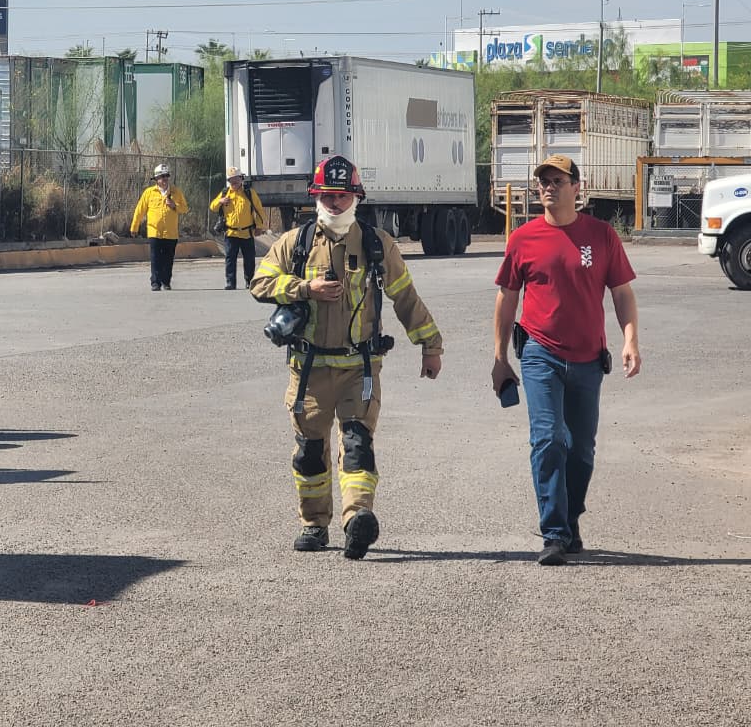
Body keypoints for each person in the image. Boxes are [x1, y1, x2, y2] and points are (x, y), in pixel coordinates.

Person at [250, 155, 443, 559]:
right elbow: (260, 283)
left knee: (357, 444)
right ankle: (313, 524)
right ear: (315, 197)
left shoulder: (377, 245)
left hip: (360, 369)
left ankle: (357, 519)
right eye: (327, 196)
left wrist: (430, 346)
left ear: (356, 197)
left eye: (341, 196)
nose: (334, 203)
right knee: (309, 451)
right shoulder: (296, 243)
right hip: (309, 372)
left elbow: (405, 297)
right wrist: (305, 289)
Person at [491, 154, 641, 566]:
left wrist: (630, 340)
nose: (549, 187)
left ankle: (570, 519)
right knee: (549, 439)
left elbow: (622, 293)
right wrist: (500, 357)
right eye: (544, 181)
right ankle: (554, 533)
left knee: (582, 451)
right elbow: (507, 298)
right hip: (540, 353)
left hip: (589, 359)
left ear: (577, 187)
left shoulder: (601, 235)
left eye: (558, 180)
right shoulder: (523, 238)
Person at [130, 163, 189, 291]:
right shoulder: (149, 193)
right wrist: (134, 227)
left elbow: (185, 208)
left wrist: (174, 205)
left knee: (168, 259)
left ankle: (166, 282)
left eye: (166, 176)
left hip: (171, 233)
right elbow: (139, 211)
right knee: (155, 258)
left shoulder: (176, 192)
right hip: (154, 231)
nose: (164, 179)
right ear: (156, 179)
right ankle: (155, 282)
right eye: (162, 177)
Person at [210, 167, 266, 290]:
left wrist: (259, 226)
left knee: (249, 259)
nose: (234, 182)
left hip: (247, 233)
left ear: (241, 179)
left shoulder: (249, 193)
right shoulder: (225, 193)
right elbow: (213, 207)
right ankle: (230, 282)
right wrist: (220, 201)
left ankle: (249, 281)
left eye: (236, 179)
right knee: (230, 259)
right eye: (231, 179)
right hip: (231, 233)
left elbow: (259, 210)